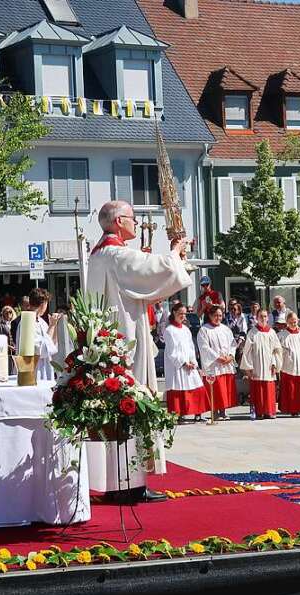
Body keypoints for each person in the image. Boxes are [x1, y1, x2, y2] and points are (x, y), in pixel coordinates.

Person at [86, 199, 193, 503]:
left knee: (115, 411)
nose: (135, 222)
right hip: (125, 342)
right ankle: (129, 484)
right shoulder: (115, 255)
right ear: (118, 221)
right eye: (132, 218)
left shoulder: (99, 256)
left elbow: (146, 275)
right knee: (131, 407)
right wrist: (174, 252)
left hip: (110, 343)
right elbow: (153, 270)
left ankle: (122, 481)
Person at [161, 303, 209, 423]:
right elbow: (171, 351)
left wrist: (193, 362)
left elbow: (191, 347)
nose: (183, 316)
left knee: (196, 386)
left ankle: (198, 413)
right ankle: (178, 415)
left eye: (184, 314)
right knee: (178, 388)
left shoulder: (186, 329)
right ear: (174, 313)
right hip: (177, 366)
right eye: (180, 313)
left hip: (190, 364)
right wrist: (183, 363)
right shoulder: (169, 330)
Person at [240, 308, 282, 419]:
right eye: (260, 316)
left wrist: (274, 364)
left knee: (269, 388)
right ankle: (258, 412)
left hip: (269, 365)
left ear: (268, 318)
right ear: (256, 318)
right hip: (256, 364)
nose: (263, 318)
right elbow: (247, 351)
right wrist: (248, 368)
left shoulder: (272, 332)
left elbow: (276, 350)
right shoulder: (252, 332)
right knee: (258, 389)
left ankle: (269, 411)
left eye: (265, 316)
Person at [197, 305, 238, 420]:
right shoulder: (204, 330)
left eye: (220, 315)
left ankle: (223, 410)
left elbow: (232, 344)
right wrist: (217, 358)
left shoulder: (226, 329)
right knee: (215, 388)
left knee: (224, 387)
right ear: (210, 316)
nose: (218, 318)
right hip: (214, 364)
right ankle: (214, 411)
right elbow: (204, 347)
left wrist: (230, 356)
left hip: (226, 363)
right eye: (215, 315)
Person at [15, 288, 59, 382]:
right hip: (33, 370)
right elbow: (41, 349)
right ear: (43, 304)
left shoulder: (42, 322)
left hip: (45, 368)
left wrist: (54, 326)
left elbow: (51, 345)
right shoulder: (26, 322)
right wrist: (52, 326)